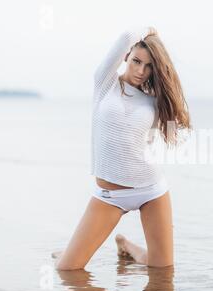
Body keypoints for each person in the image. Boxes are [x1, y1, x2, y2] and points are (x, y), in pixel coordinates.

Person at [54, 26, 192, 270]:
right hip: (110, 196)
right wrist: (149, 31)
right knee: (68, 271)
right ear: (126, 56)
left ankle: (129, 248)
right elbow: (126, 37)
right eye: (137, 61)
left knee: (162, 272)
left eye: (149, 66)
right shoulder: (105, 83)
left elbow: (156, 137)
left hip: (151, 190)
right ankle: (70, 251)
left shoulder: (154, 102)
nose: (141, 71)